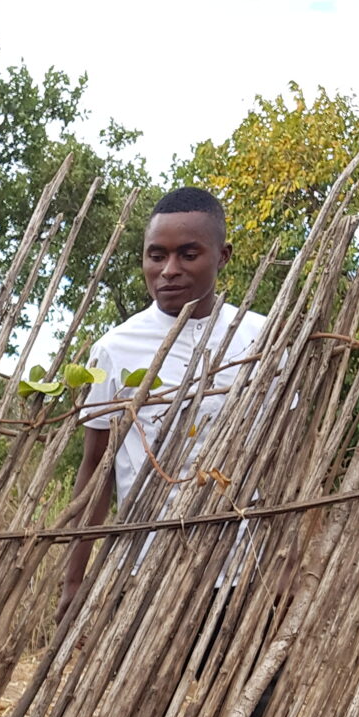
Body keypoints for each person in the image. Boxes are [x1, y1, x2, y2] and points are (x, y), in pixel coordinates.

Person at [57, 186, 268, 621]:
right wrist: (74, 579)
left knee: (248, 690)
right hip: (142, 567)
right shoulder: (116, 349)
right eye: (156, 256)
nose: (169, 270)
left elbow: (289, 459)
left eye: (188, 255)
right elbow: (97, 468)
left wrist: (286, 562)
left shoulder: (262, 339)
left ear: (222, 256)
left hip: (244, 568)